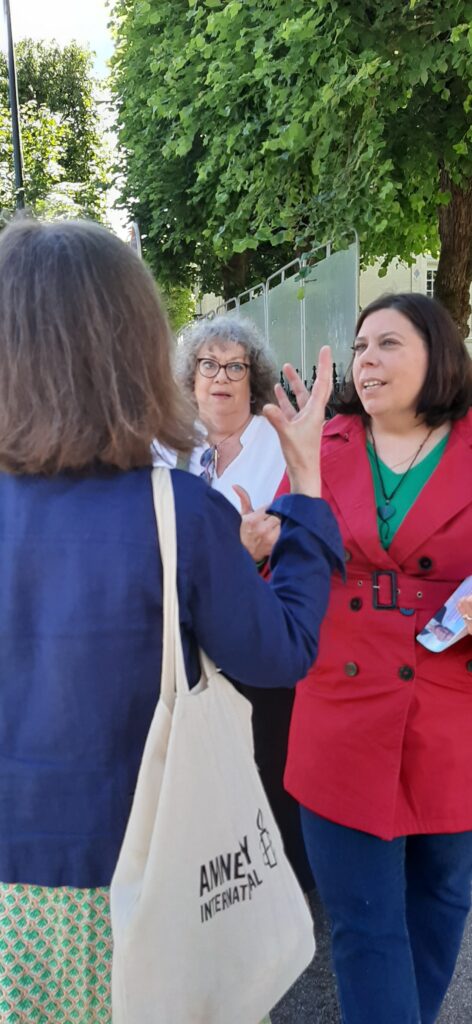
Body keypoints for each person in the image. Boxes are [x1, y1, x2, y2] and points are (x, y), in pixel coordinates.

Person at [0, 217, 343, 1022]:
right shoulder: (176, 510)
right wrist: (307, 489)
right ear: (136, 349)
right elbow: (281, 651)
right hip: (143, 869)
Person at [241, 293, 472, 1024]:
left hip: (453, 720)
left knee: (439, 906)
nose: (366, 360)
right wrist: (259, 549)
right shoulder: (323, 445)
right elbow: (287, 572)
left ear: (439, 354)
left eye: (388, 344)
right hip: (341, 718)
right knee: (366, 927)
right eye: (360, 347)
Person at [174, 314, 314, 890]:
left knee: (265, 758)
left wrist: (253, 551)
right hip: (181, 638)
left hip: (256, 630)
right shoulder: (166, 445)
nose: (221, 377)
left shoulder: (279, 442)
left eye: (236, 367)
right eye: (209, 364)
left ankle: (279, 884)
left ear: (252, 380)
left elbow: (306, 529)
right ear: (191, 376)